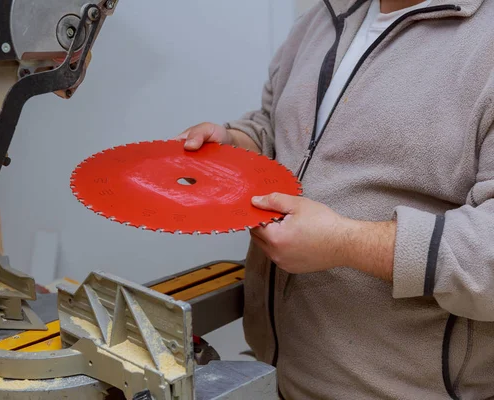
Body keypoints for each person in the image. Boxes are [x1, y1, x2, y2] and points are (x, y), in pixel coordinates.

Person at [176, 0, 494, 398]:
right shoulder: (324, 16)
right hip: (280, 374)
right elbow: (278, 128)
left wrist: (346, 243)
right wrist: (236, 144)